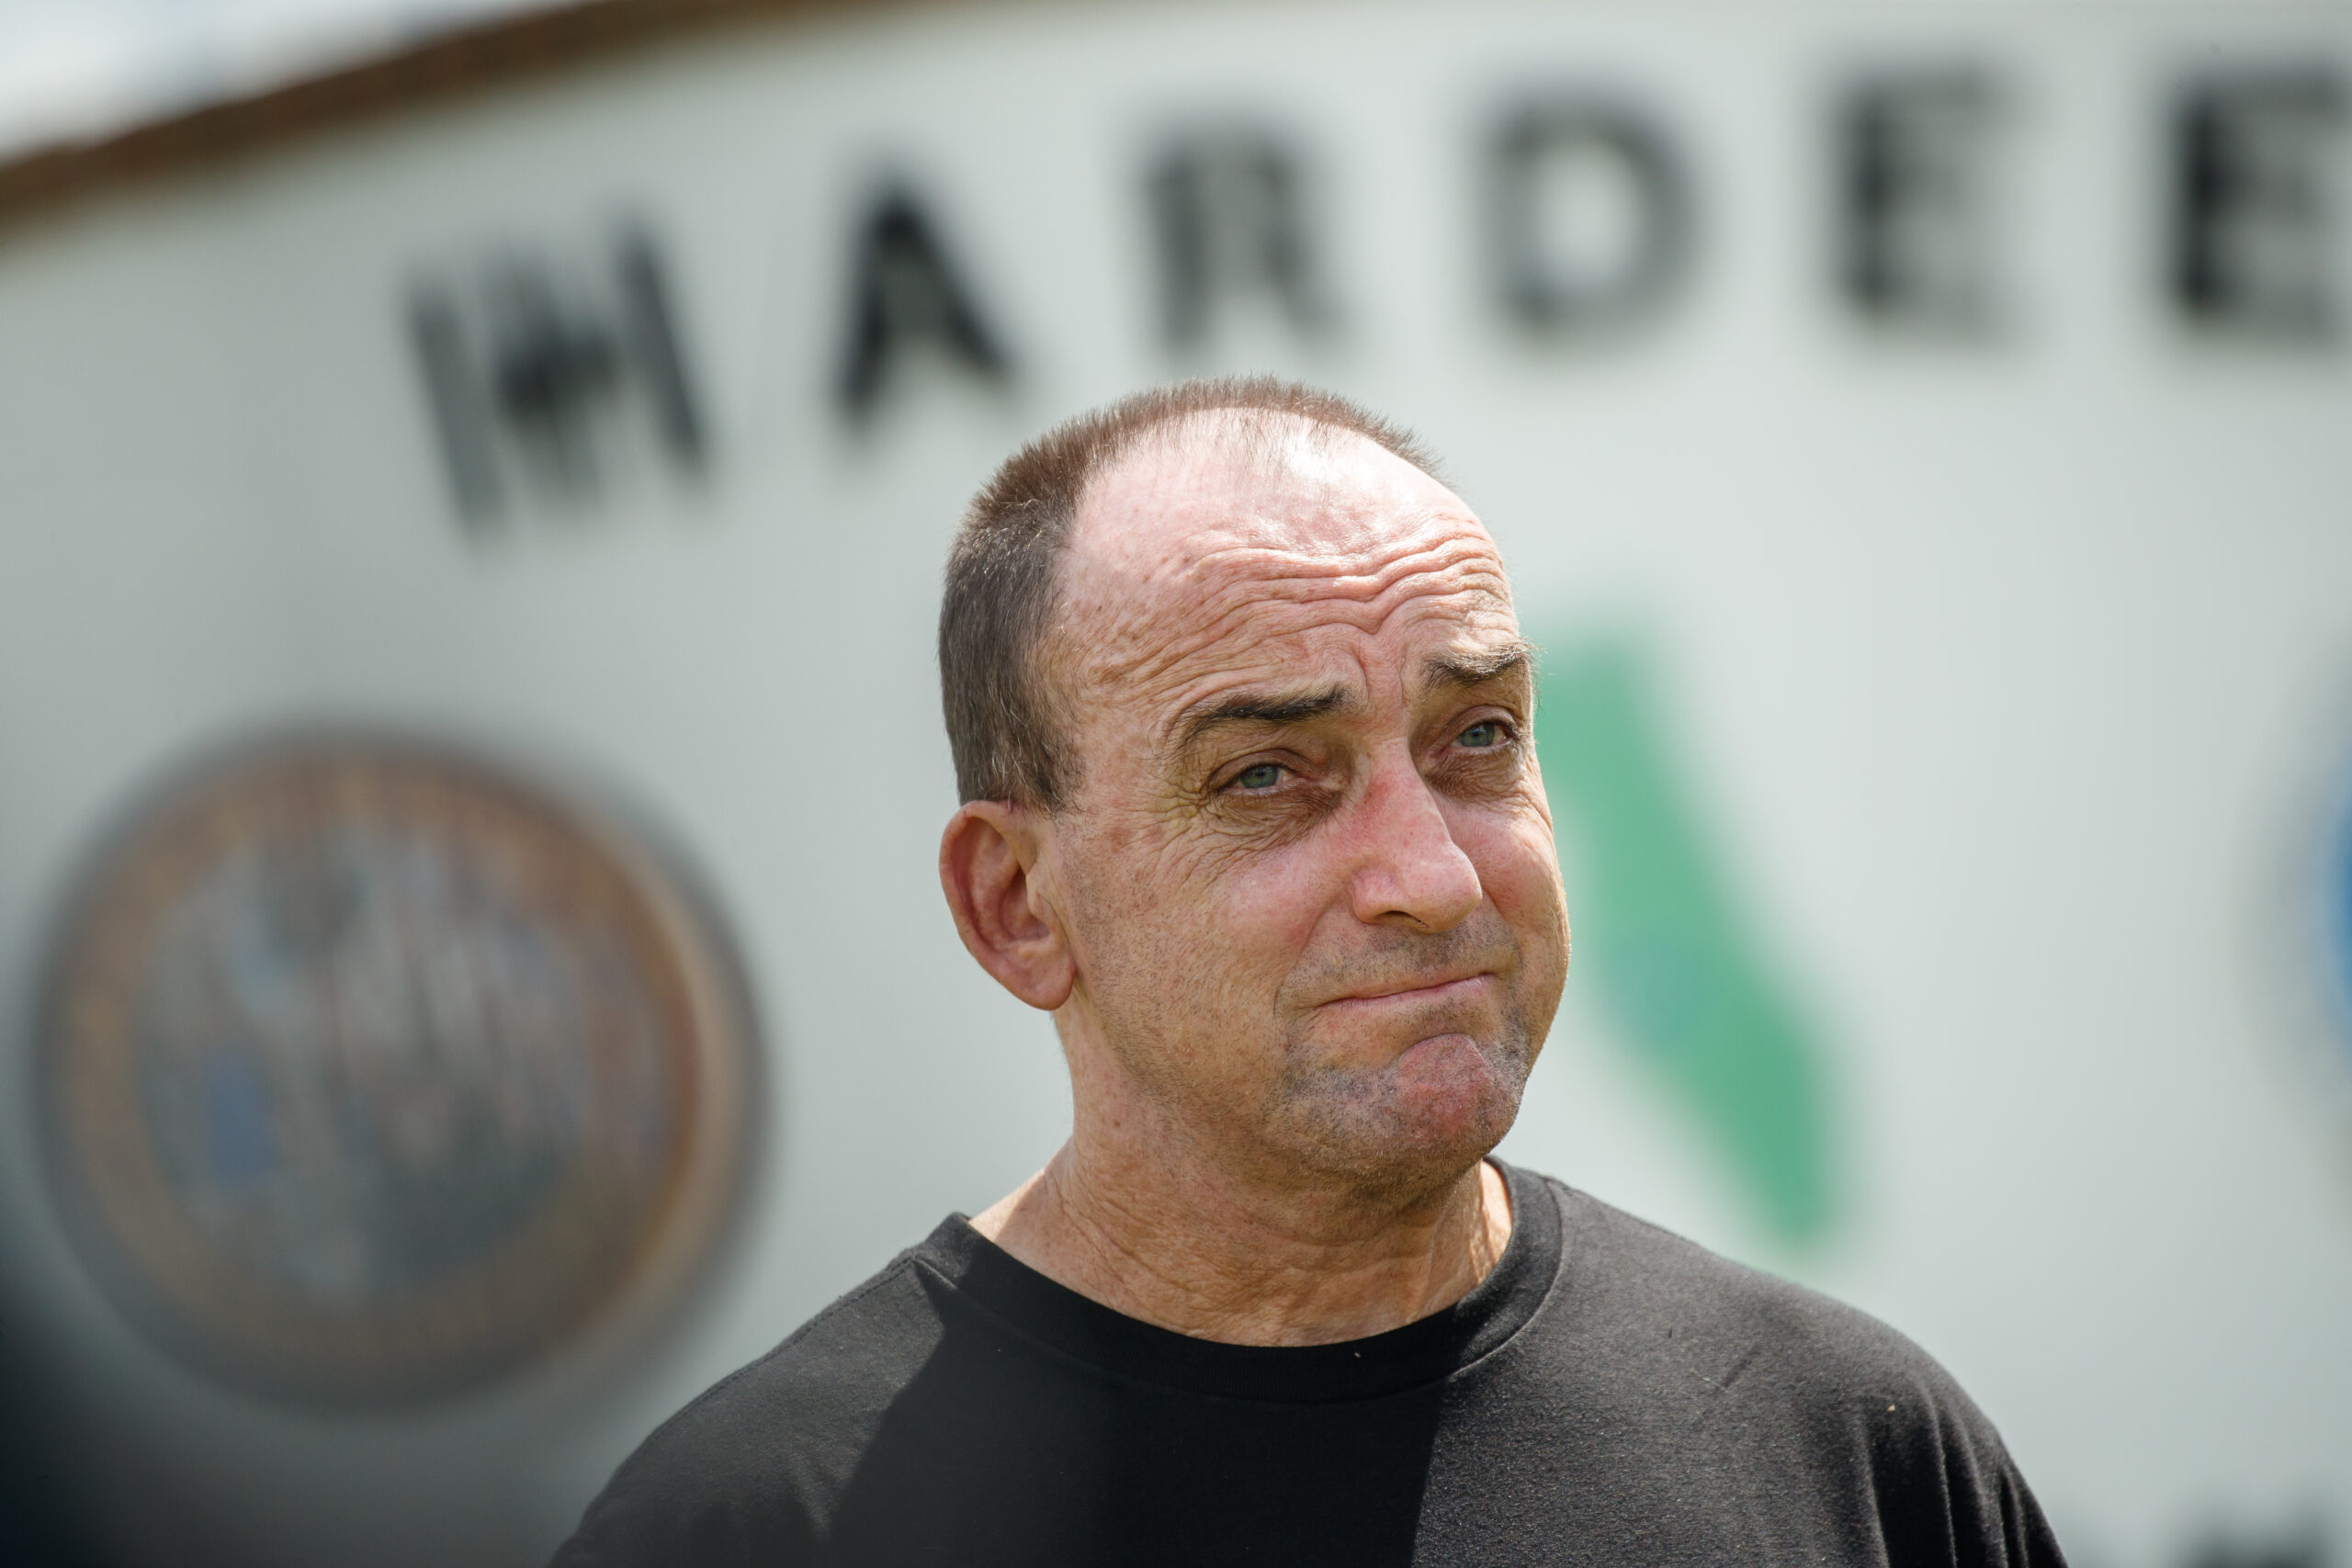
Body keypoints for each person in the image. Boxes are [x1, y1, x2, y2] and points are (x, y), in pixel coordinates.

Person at [551, 378, 2065, 1566]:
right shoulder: (750, 1528)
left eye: (1479, 739)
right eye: (1270, 774)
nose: (1435, 876)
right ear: (1018, 904)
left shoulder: (1852, 1456)